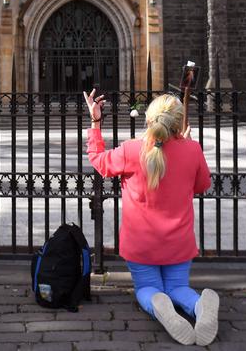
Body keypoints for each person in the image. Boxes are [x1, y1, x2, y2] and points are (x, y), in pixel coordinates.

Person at [84, 89, 219, 346]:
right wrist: (188, 148)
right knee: (179, 287)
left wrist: (95, 122)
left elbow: (99, 162)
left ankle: (159, 306)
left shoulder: (131, 150)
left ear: (149, 119)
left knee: (147, 288)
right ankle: (199, 306)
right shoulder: (192, 149)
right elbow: (202, 185)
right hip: (179, 242)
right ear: (179, 122)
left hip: (140, 243)